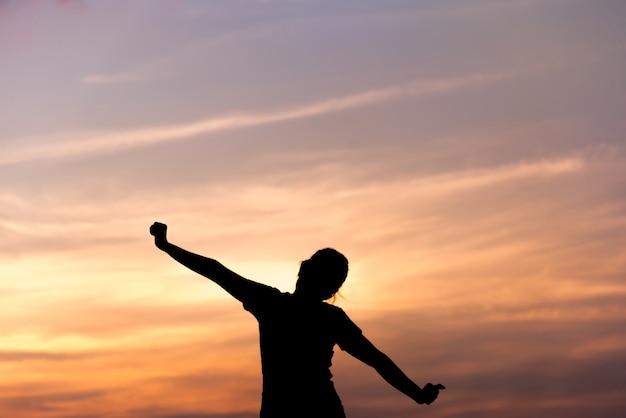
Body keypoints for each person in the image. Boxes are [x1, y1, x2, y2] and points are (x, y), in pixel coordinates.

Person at [150, 222, 444, 418]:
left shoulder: (272, 304)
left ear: (304, 270)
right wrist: (417, 394)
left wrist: (166, 245)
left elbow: (216, 270)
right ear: (333, 290)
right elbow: (377, 360)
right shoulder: (326, 316)